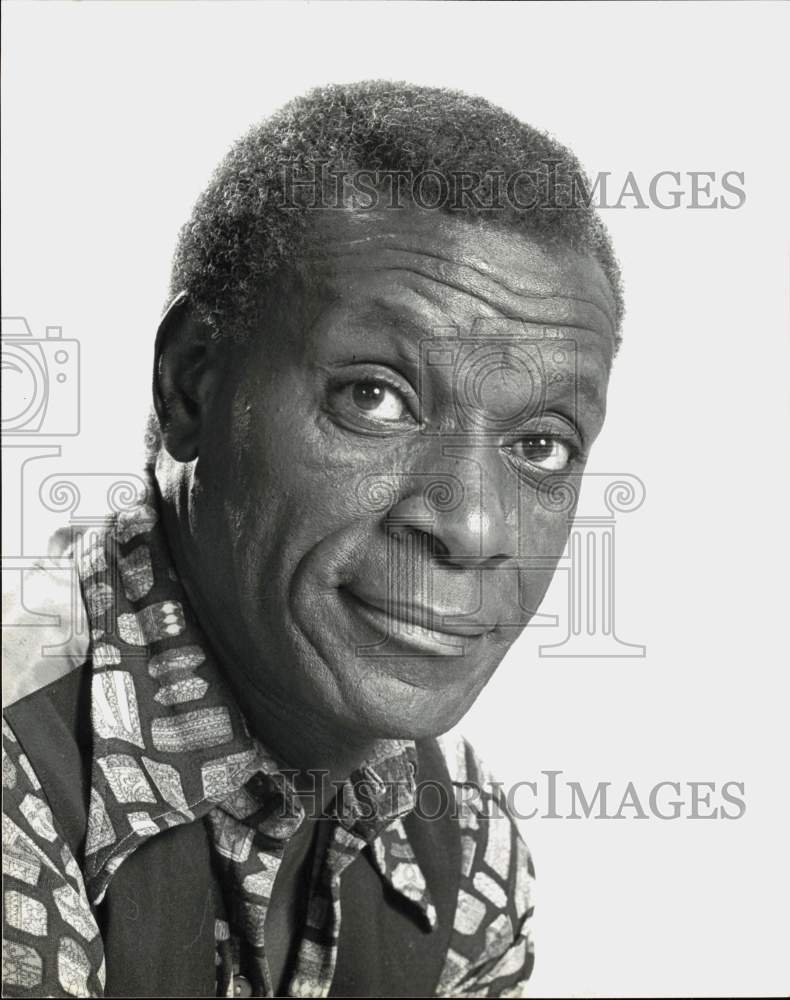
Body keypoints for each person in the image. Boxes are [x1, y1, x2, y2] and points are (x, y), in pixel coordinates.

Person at [2, 81, 622, 998]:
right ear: (192, 385)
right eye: (374, 395)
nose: (473, 526)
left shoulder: (460, 839)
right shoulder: (24, 760)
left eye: (540, 445)